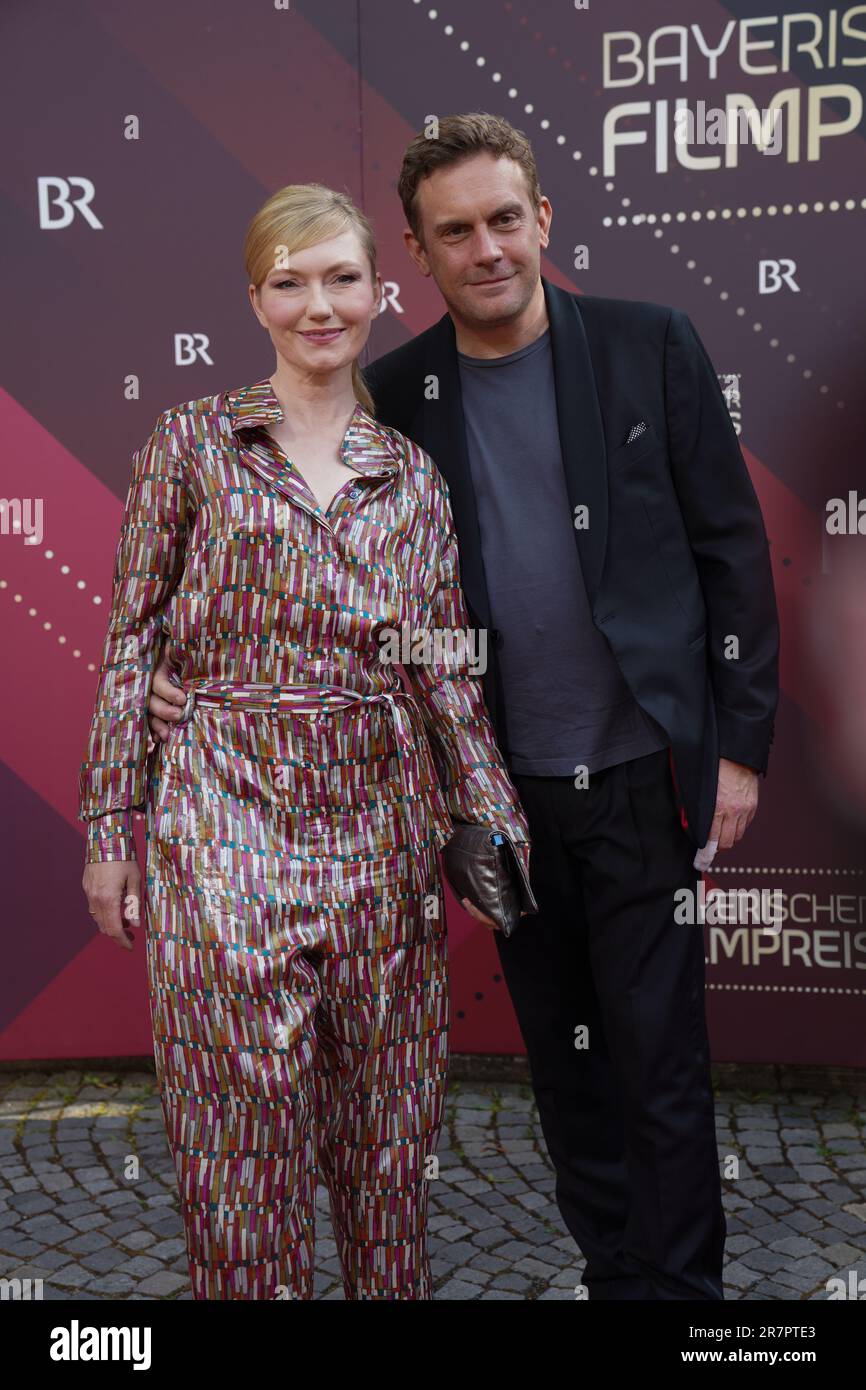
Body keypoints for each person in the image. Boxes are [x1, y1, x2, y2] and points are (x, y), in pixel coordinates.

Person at [149, 114, 781, 1301]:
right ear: (417, 256)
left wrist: (735, 752)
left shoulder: (650, 346)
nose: (485, 247)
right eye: (455, 232)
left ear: (541, 220)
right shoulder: (391, 393)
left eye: (503, 219)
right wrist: (190, 673)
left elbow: (730, 552)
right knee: (567, 1063)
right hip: (495, 793)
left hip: (642, 768)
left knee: (660, 1059)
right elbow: (333, 580)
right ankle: (610, 1272)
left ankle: (680, 1299)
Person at [79, 181, 533, 1301]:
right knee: (235, 1145)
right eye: (291, 282)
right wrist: (109, 824)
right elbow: (132, 638)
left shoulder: (413, 479)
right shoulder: (190, 443)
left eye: (340, 279)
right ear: (256, 297)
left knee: (387, 1138)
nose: (318, 306)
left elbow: (439, 663)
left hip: (381, 823)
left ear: (378, 291)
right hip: (217, 814)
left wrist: (489, 812)